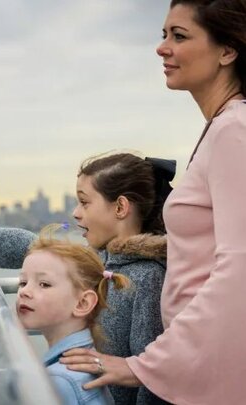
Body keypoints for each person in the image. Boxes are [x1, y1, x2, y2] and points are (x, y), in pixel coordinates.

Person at [59, 1, 246, 404]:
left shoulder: (234, 129)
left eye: (179, 36)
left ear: (228, 51)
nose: (162, 48)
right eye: (163, 35)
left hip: (216, 375)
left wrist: (142, 366)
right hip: (203, 366)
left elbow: (239, 266)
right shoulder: (222, 128)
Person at [0, 152, 175, 405]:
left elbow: (154, 378)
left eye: (84, 202)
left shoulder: (148, 277)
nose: (76, 212)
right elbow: (30, 246)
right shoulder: (98, 260)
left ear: (120, 207)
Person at [16, 224, 130, 404]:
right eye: (23, 283)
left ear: (83, 303)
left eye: (44, 284)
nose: (24, 292)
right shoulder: (85, 360)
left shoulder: (60, 381)